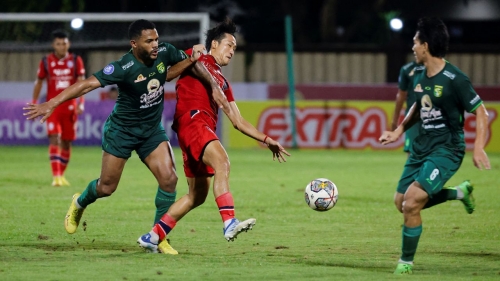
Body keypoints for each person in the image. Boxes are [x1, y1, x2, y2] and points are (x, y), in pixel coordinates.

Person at [24, 19, 228, 253]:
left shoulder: (165, 51)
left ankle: (158, 236)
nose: (155, 45)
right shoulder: (123, 67)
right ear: (134, 44)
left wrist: (194, 60)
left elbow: (170, 73)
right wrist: (52, 103)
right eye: (149, 41)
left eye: (156, 39)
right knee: (107, 187)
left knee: (169, 180)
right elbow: (86, 84)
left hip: (151, 131)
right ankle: (79, 202)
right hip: (122, 131)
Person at [137, 18, 291, 254]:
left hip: (195, 131)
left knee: (196, 196)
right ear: (214, 45)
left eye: (235, 48)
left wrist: (267, 139)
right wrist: (191, 58)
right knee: (223, 162)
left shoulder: (224, 82)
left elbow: (237, 121)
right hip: (193, 120)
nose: (232, 51)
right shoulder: (196, 56)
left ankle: (153, 235)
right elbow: (167, 74)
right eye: (229, 45)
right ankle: (229, 222)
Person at [379, 17, 491, 275]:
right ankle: (459, 193)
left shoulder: (455, 79)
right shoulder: (417, 74)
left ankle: (405, 263)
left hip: (446, 150)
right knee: (401, 202)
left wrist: (478, 147)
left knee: (411, 203)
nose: (413, 47)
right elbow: (418, 106)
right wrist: (398, 130)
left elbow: (481, 112)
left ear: (426, 46)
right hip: (421, 149)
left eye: (415, 42)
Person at [32, 29, 86, 187]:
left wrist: (81, 103)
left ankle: (61, 174)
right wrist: (35, 101)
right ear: (53, 45)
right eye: (58, 44)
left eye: (64, 43)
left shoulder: (76, 60)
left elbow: (82, 84)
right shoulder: (46, 61)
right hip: (52, 107)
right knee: (54, 138)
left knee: (67, 142)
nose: (62, 46)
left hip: (70, 107)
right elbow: (39, 82)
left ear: (68, 43)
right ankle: (55, 176)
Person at [391, 61, 423, 154]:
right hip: (413, 117)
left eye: (416, 45)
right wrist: (394, 119)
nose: (413, 48)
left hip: (435, 116)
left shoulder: (440, 68)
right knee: (412, 151)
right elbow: (401, 95)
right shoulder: (407, 69)